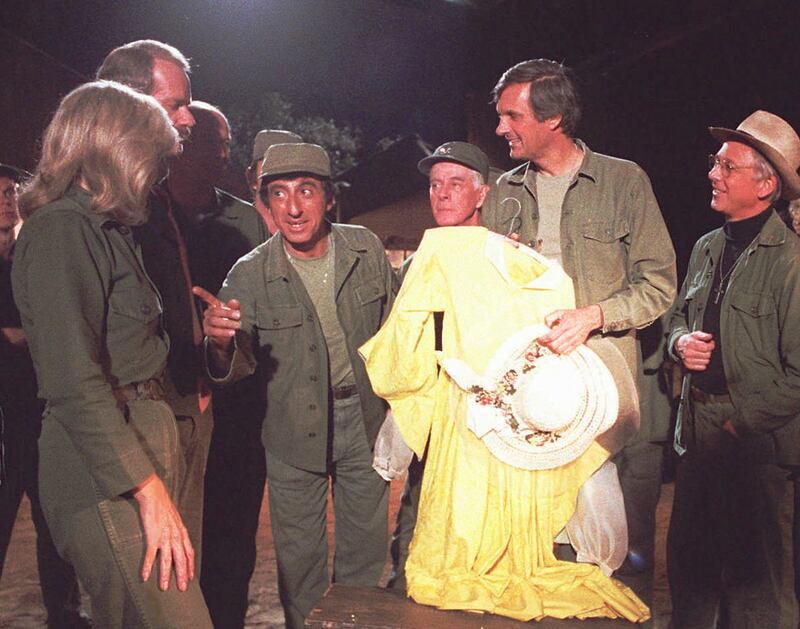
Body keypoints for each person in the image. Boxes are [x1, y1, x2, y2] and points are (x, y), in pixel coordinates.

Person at [10, 80, 212, 628]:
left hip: (137, 449)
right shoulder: (60, 233)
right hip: (104, 475)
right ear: (115, 151)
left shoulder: (109, 230)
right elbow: (74, 384)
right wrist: (148, 492)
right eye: (151, 156)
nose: (157, 173)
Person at [481, 58, 677, 606]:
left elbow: (658, 285)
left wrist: (593, 316)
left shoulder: (622, 181)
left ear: (554, 119)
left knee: (609, 549)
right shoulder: (505, 192)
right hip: (525, 397)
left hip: (603, 394)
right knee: (535, 540)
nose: (501, 129)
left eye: (511, 116)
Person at [196, 142, 395, 629]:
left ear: (328, 198)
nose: (293, 207)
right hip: (289, 430)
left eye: (306, 191)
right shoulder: (248, 274)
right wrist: (219, 343)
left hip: (363, 423)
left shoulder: (365, 249)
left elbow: (398, 328)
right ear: (265, 203)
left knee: (364, 564)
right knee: (299, 572)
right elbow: (233, 370)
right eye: (278, 194)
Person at [666, 110, 800, 628]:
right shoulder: (705, 247)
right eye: (715, 163)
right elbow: (678, 317)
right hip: (698, 431)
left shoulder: (790, 262)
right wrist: (680, 344)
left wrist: (739, 424)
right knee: (691, 568)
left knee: (757, 582)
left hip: (755, 441)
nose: (713, 174)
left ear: (765, 185)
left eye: (727, 166)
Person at [96, 40, 209, 565]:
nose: (188, 119)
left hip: (180, 407)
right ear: (129, 104)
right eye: (176, 105)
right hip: (134, 425)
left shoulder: (156, 196)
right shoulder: (95, 207)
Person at [166, 101, 269, 629]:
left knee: (232, 551)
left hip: (237, 413)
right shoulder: (147, 215)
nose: (225, 152)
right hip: (171, 408)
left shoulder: (246, 220)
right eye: (215, 141)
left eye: (229, 142)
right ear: (180, 142)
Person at [387, 141, 490, 590]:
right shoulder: (414, 263)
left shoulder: (501, 256)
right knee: (414, 535)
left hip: (485, 422)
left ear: (481, 194)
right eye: (434, 185)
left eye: (454, 184)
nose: (442, 194)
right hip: (431, 421)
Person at [0, 164, 90, 629]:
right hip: (2, 416)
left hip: (36, 408)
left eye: (11, 190)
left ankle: (65, 610)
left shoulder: (32, 251)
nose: (6, 198)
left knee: (53, 516)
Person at [246, 129, 302, 233]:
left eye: (292, 169)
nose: (281, 174)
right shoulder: (234, 231)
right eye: (270, 165)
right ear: (252, 178)